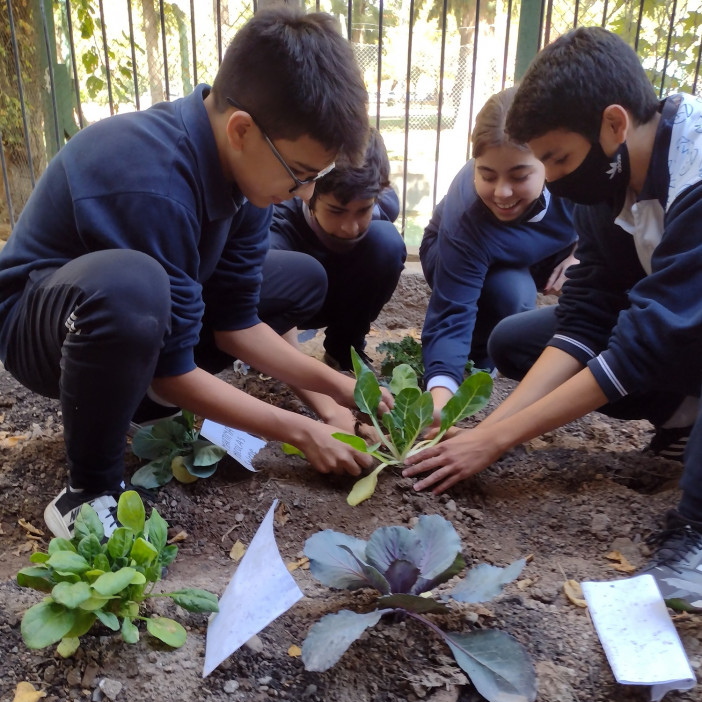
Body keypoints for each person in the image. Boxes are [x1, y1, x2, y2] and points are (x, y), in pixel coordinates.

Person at [0, 8, 385, 540]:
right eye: (300, 174)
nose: (303, 194)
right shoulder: (148, 177)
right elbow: (169, 370)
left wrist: (343, 389)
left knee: (301, 277)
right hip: (43, 325)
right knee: (135, 289)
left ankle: (136, 395)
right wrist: (301, 431)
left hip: (135, 309)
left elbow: (235, 322)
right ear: (242, 129)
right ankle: (88, 493)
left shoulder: (245, 170)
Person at [403, 27, 702, 608]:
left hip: (685, 329)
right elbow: (588, 316)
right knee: (516, 341)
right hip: (680, 333)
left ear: (614, 125)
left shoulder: (695, 172)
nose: (551, 177)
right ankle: (685, 415)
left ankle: (695, 537)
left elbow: (648, 340)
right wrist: (490, 432)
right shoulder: (604, 187)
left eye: (556, 159)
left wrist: (500, 437)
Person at [419, 87, 577, 412]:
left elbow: (611, 222)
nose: (502, 192)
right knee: (511, 293)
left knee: (587, 279)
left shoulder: (575, 180)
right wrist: (441, 396)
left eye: (519, 176)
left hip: (541, 251)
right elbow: (451, 311)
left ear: (549, 163)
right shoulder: (467, 213)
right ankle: (479, 358)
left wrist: (581, 252)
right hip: (460, 255)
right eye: (487, 175)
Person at [257, 127, 406, 373]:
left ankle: (344, 350)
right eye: (336, 211)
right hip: (293, 303)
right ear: (308, 195)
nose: (350, 227)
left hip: (341, 299)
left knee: (387, 242)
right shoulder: (278, 220)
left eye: (362, 211)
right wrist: (297, 369)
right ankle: (266, 352)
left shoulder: (384, 203)